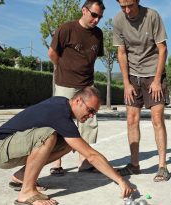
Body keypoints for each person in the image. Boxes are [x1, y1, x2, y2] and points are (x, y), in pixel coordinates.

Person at [0, 87, 134, 205]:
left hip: (8, 147)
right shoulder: (60, 114)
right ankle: (26, 192)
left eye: (94, 113)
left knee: (68, 144)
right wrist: (120, 180)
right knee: (47, 136)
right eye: (90, 110)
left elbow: (84, 149)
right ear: (78, 101)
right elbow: (91, 156)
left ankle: (21, 176)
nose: (91, 116)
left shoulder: (62, 103)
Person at [112, 0, 170, 182]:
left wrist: (158, 80)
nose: (127, 10)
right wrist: (126, 83)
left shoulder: (152, 16)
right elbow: (121, 53)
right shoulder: (118, 20)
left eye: (130, 5)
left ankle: (162, 166)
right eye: (123, 7)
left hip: (154, 74)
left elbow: (162, 49)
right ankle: (134, 165)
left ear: (138, 1)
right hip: (132, 76)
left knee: (157, 119)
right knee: (131, 120)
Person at [48, 0, 105, 175]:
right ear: (84, 10)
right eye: (94, 15)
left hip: (87, 84)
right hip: (65, 83)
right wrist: (63, 69)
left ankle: (84, 162)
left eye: (100, 17)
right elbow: (52, 53)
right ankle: (56, 162)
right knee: (59, 121)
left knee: (89, 123)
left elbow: (93, 57)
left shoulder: (98, 34)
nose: (96, 20)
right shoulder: (66, 28)